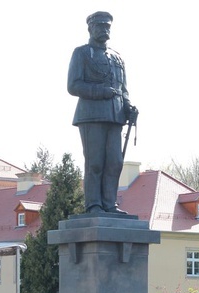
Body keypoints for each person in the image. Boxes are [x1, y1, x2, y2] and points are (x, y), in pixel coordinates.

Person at [67, 11, 138, 214]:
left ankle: (109, 204)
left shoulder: (117, 58)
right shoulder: (81, 53)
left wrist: (128, 107)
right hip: (91, 115)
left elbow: (123, 88)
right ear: (91, 28)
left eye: (108, 27)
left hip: (115, 117)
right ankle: (94, 205)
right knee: (95, 162)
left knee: (115, 162)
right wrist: (101, 92)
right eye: (101, 26)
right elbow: (73, 85)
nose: (105, 30)